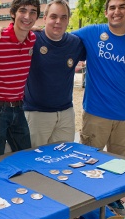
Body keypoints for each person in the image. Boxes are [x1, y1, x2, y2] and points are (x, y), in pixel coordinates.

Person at [73, 0, 125, 217]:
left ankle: (114, 201)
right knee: (90, 164)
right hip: (95, 115)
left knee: (120, 166)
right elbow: (59, 33)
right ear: (106, 12)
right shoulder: (91, 33)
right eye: (112, 7)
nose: (116, 11)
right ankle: (88, 206)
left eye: (121, 7)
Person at [23, 0, 86, 148]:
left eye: (63, 17)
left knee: (63, 160)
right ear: (44, 18)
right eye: (53, 17)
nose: (58, 21)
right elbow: (8, 36)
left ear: (68, 20)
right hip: (36, 114)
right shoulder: (31, 39)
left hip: (65, 115)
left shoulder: (75, 43)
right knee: (34, 161)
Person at [0, 0, 40, 157]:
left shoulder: (32, 39)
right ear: (13, 14)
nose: (27, 16)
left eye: (33, 12)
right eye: (23, 11)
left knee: (26, 156)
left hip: (18, 108)